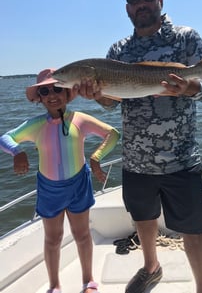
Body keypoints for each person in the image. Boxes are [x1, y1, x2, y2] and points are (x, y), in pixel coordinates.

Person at [77, 0, 202, 293]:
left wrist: (190, 86)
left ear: (159, 2)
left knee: (195, 229)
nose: (140, 4)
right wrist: (96, 95)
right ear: (128, 9)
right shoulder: (118, 50)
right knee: (143, 219)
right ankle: (151, 267)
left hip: (181, 158)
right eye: (134, 0)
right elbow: (111, 103)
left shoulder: (186, 38)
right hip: (136, 160)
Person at [0, 69, 120, 293]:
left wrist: (96, 158)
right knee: (53, 238)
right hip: (49, 189)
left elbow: (112, 134)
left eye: (57, 88)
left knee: (82, 234)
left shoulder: (80, 120)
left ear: (68, 93)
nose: (52, 94)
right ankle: (54, 285)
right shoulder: (35, 125)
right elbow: (5, 138)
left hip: (78, 184)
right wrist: (17, 152)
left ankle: (88, 281)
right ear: (40, 98)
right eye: (45, 91)